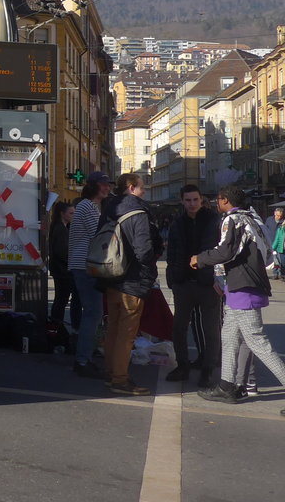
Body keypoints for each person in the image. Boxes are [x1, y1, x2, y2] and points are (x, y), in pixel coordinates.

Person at [192, 185, 285, 411]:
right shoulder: (251, 218)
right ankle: (227, 385)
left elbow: (226, 251)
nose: (216, 203)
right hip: (241, 284)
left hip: (244, 286)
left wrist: (200, 258)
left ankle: (230, 385)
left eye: (218, 199)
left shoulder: (232, 220)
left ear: (225, 200)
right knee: (229, 335)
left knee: (256, 341)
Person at [101, 172, 160, 396]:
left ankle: (110, 372)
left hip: (110, 274)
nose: (144, 191)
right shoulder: (138, 211)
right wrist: (149, 273)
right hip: (132, 279)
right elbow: (144, 249)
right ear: (131, 187)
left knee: (113, 329)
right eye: (141, 187)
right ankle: (120, 379)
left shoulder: (109, 207)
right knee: (127, 334)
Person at [164, 184, 221, 386]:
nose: (192, 204)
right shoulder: (177, 223)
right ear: (182, 201)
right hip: (183, 283)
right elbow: (171, 252)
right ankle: (183, 366)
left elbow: (220, 251)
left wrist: (217, 279)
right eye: (188, 200)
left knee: (211, 329)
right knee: (179, 327)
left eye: (195, 199)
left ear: (201, 199)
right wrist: (172, 277)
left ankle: (207, 369)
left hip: (207, 284)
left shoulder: (214, 221)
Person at [67, 171, 111, 378]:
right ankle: (82, 360)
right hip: (86, 266)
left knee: (92, 313)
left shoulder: (89, 206)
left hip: (84, 265)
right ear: (93, 186)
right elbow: (101, 235)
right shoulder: (87, 206)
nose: (107, 187)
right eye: (103, 184)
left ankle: (85, 357)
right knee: (92, 313)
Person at [47, 200, 79, 330]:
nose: (73, 216)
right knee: (61, 299)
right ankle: (56, 325)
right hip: (62, 270)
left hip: (60, 269)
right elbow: (61, 251)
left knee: (61, 299)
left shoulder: (63, 227)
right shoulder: (60, 229)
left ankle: (56, 324)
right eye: (71, 213)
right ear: (62, 214)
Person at [270, 206, 285, 281]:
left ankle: (281, 274)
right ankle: (275, 273)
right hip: (271, 241)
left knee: (281, 260)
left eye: (280, 216)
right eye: (277, 215)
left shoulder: (283, 222)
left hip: (280, 244)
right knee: (274, 260)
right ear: (274, 214)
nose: (279, 217)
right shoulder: (269, 220)